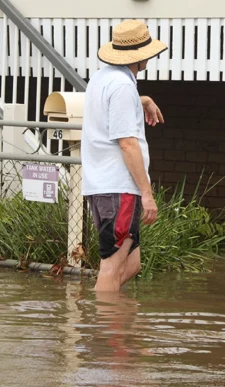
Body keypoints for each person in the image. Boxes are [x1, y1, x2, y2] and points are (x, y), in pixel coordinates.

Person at [82, 19, 167, 292]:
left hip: (102, 186)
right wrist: (147, 194)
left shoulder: (102, 77)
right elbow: (128, 144)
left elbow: (108, 109)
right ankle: (101, 330)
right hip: (119, 189)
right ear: (141, 56)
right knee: (111, 268)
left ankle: (115, 328)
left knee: (131, 265)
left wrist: (143, 100)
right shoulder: (121, 86)